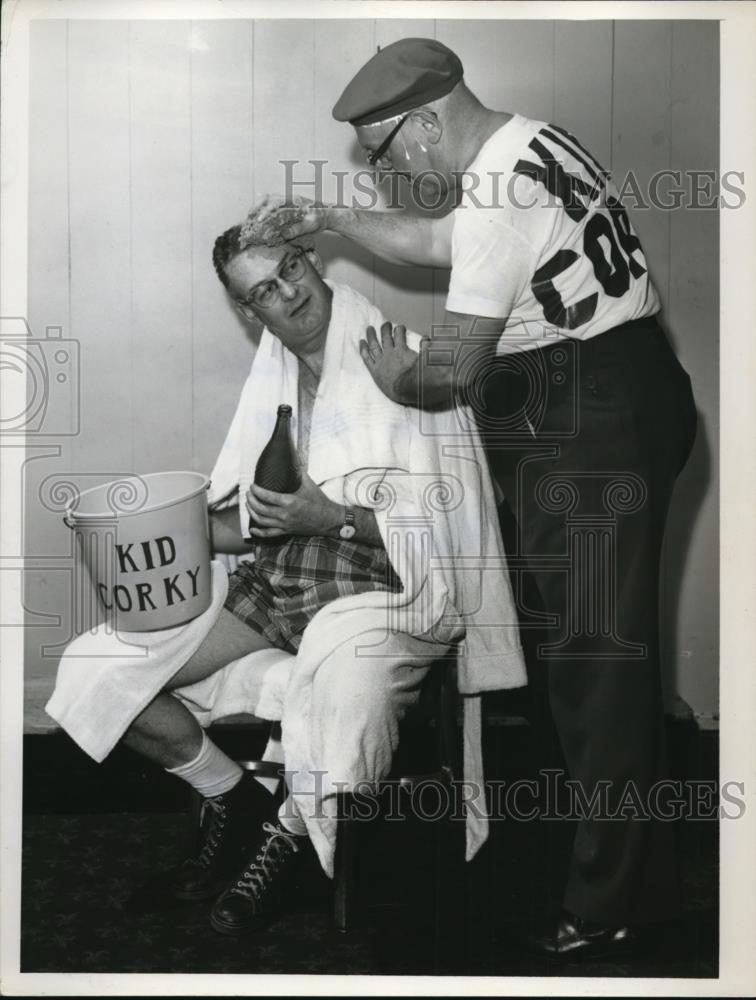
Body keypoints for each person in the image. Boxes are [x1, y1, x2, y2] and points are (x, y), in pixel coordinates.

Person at [275, 37, 699, 959]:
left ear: (428, 120)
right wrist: (332, 219)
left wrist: (402, 377)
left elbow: (456, 368)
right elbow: (442, 242)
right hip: (608, 390)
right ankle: (626, 867)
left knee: (599, 666)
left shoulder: (499, 195)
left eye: (386, 154)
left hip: (591, 418)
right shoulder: (524, 142)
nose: (389, 176)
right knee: (592, 660)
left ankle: (620, 901)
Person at [46, 200, 526, 937]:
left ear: (312, 260)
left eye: (290, 270)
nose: (287, 295)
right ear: (247, 311)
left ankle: (290, 840)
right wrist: (166, 529)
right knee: (99, 664)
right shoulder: (273, 377)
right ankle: (235, 800)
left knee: (343, 682)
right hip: (279, 587)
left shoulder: (403, 359)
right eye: (261, 292)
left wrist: (328, 516)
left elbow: (452, 523)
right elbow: (254, 523)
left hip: (388, 591)